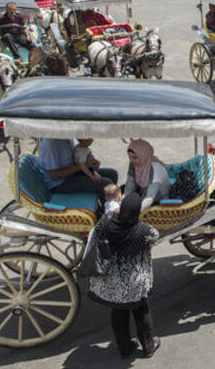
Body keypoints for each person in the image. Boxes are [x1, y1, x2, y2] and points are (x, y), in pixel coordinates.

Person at [88, 193, 160, 359]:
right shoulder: (142, 230)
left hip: (112, 283)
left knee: (118, 315)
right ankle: (149, 346)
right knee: (141, 313)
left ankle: (125, 348)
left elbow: (95, 232)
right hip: (134, 284)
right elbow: (155, 236)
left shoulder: (106, 223)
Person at [39, 138, 118, 196]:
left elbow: (75, 157)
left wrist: (91, 162)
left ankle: (104, 207)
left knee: (112, 173)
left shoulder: (66, 137)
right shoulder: (50, 144)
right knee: (106, 184)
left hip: (72, 173)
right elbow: (53, 176)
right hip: (59, 184)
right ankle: (108, 214)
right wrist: (81, 167)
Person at [124, 139, 170, 212]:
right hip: (143, 193)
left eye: (135, 157)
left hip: (158, 199)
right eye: (129, 157)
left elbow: (149, 198)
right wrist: (122, 203)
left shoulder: (156, 170)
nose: (131, 160)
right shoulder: (134, 164)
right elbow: (130, 186)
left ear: (144, 155)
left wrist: (134, 212)